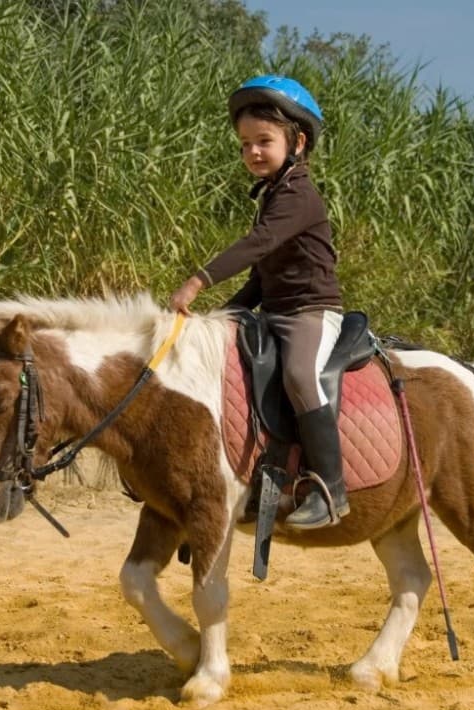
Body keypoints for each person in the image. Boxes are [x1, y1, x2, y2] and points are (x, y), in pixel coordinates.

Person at [169, 74, 350, 531]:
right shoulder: (273, 193)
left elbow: (259, 244)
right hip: (274, 312)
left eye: (263, 141)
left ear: (298, 141)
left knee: (298, 375)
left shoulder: (299, 195)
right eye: (245, 143)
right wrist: (225, 313)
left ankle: (331, 488)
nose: (252, 151)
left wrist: (198, 281)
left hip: (310, 312)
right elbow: (261, 275)